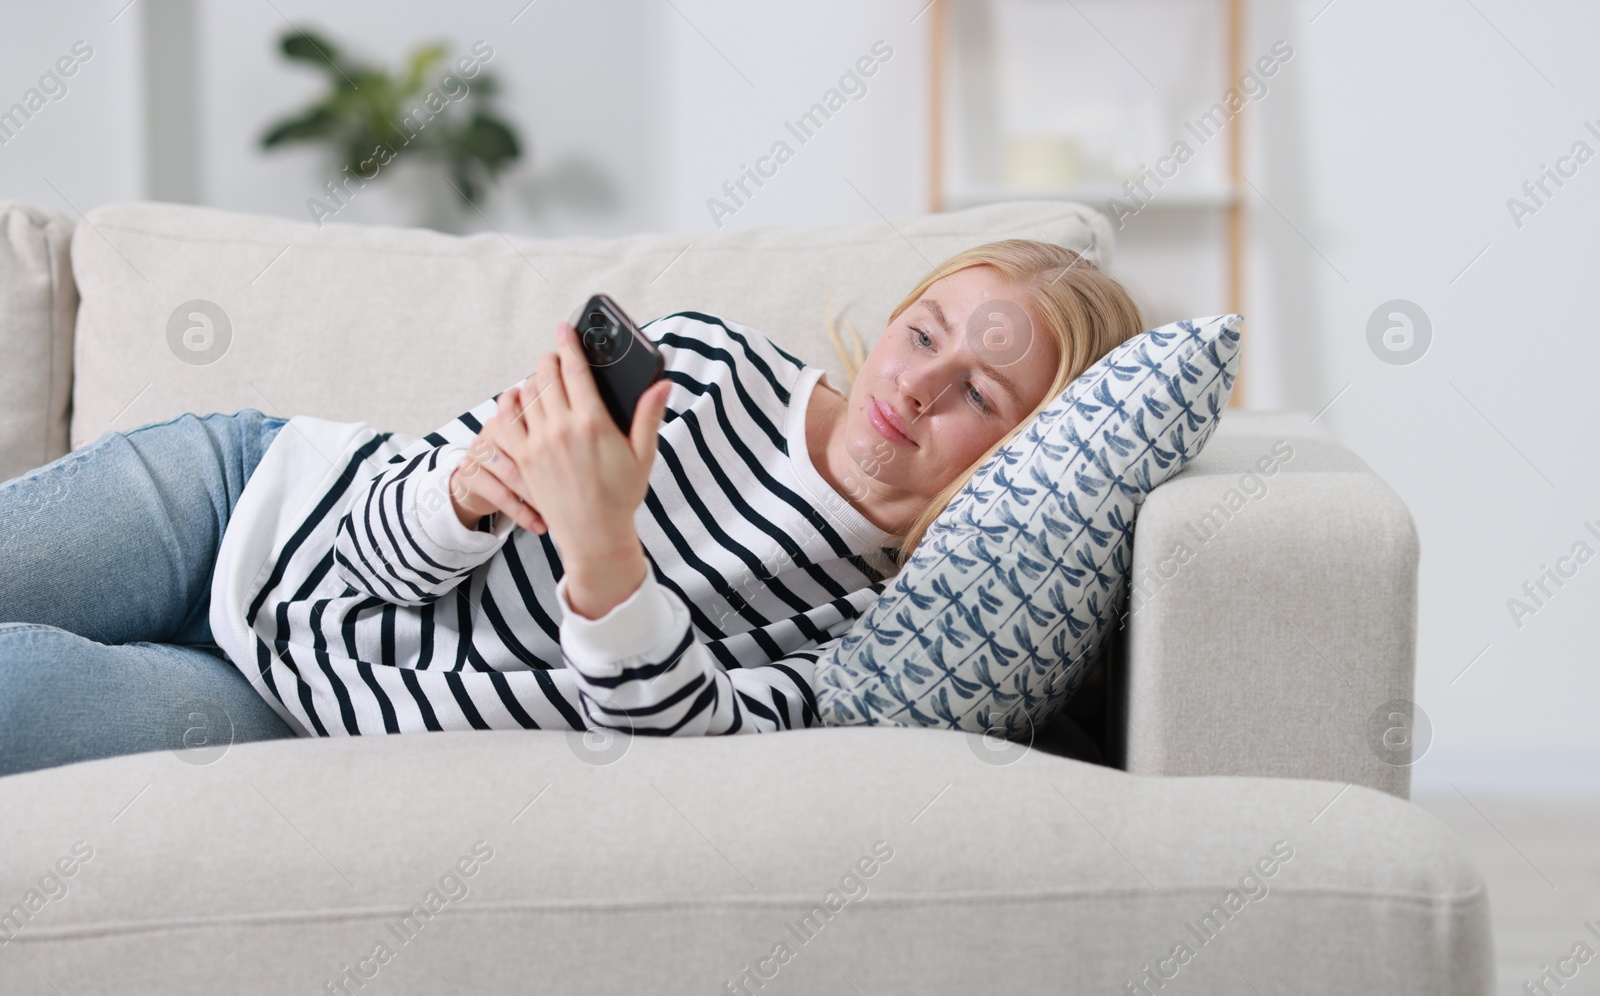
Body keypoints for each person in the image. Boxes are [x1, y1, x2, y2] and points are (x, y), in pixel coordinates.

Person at [0, 239, 1141, 775]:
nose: (916, 384)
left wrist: (603, 553)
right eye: (924, 332)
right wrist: (465, 496)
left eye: (978, 392)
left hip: (306, 701)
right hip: (250, 501)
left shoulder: (875, 633)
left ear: (1025, 453)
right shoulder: (707, 367)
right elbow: (368, 546)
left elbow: (685, 747)